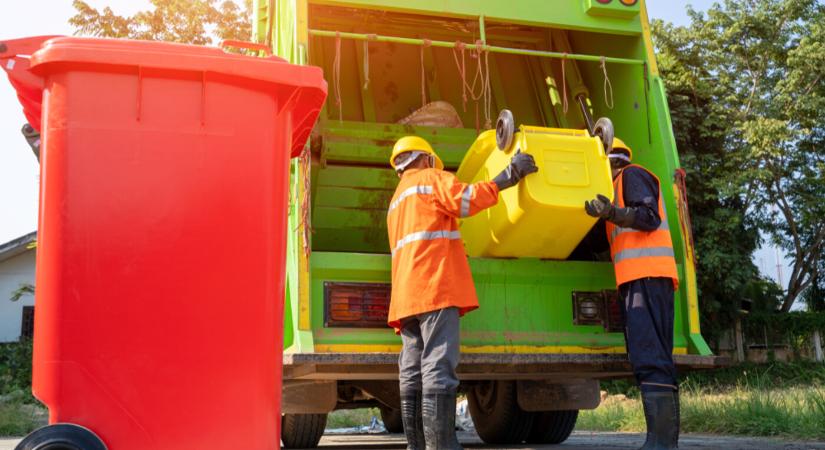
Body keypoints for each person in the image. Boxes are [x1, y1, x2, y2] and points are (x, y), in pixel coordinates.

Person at [387, 136, 537, 450]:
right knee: (438, 365)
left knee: (412, 368)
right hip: (435, 286)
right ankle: (441, 445)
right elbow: (466, 200)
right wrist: (510, 175)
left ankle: (416, 445)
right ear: (426, 159)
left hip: (406, 296)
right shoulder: (431, 178)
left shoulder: (397, 200)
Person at [584, 138, 680, 450]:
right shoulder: (615, 189)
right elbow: (599, 241)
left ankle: (661, 443)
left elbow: (648, 217)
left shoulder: (632, 175)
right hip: (639, 280)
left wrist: (612, 212)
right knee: (648, 355)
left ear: (609, 160)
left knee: (650, 355)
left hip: (647, 277)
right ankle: (661, 442)